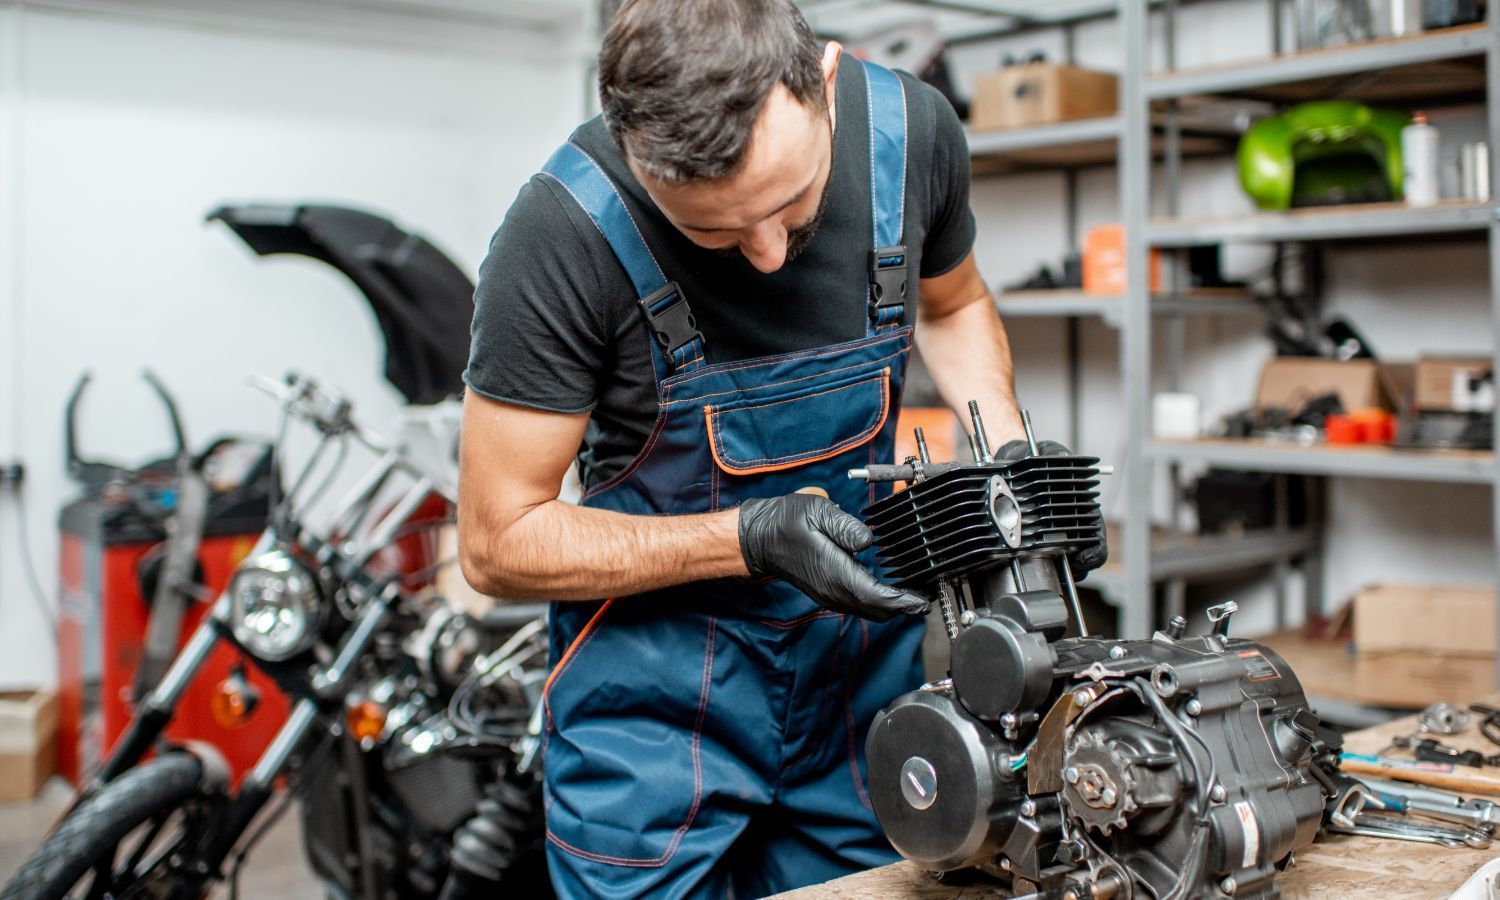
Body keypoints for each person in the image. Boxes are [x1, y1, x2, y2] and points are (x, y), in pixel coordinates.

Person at [458, 0, 1101, 895]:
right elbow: (498, 540)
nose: (766, 255)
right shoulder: (561, 233)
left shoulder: (910, 135)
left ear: (824, 80)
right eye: (714, 231)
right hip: (650, 725)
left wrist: (1009, 472)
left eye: (792, 205)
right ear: (636, 155)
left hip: (859, 703)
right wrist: (747, 538)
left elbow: (952, 307)